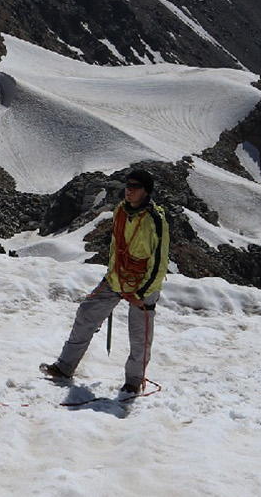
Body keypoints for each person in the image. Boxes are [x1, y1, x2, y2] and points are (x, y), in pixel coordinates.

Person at [41, 168, 169, 394]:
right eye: (128, 185)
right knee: (86, 313)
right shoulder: (121, 210)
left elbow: (159, 262)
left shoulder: (155, 220)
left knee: (139, 336)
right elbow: (116, 247)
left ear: (146, 191)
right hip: (117, 278)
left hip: (143, 286)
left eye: (135, 186)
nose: (129, 190)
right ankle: (65, 366)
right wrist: (112, 274)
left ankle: (133, 382)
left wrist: (140, 294)